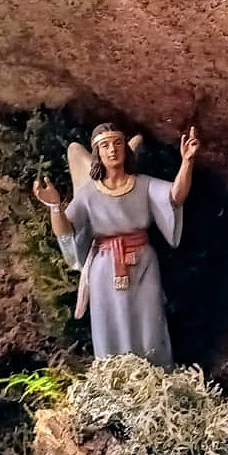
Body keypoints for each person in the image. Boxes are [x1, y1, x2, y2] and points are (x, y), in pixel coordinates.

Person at [31, 123, 198, 367]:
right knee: (110, 321)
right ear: (97, 153)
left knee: (149, 321)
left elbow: (175, 196)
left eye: (117, 143)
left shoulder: (142, 184)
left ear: (126, 149)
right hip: (105, 267)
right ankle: (115, 375)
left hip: (143, 262)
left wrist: (187, 162)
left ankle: (156, 374)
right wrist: (55, 207)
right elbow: (67, 230)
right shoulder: (89, 194)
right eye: (105, 146)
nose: (112, 150)